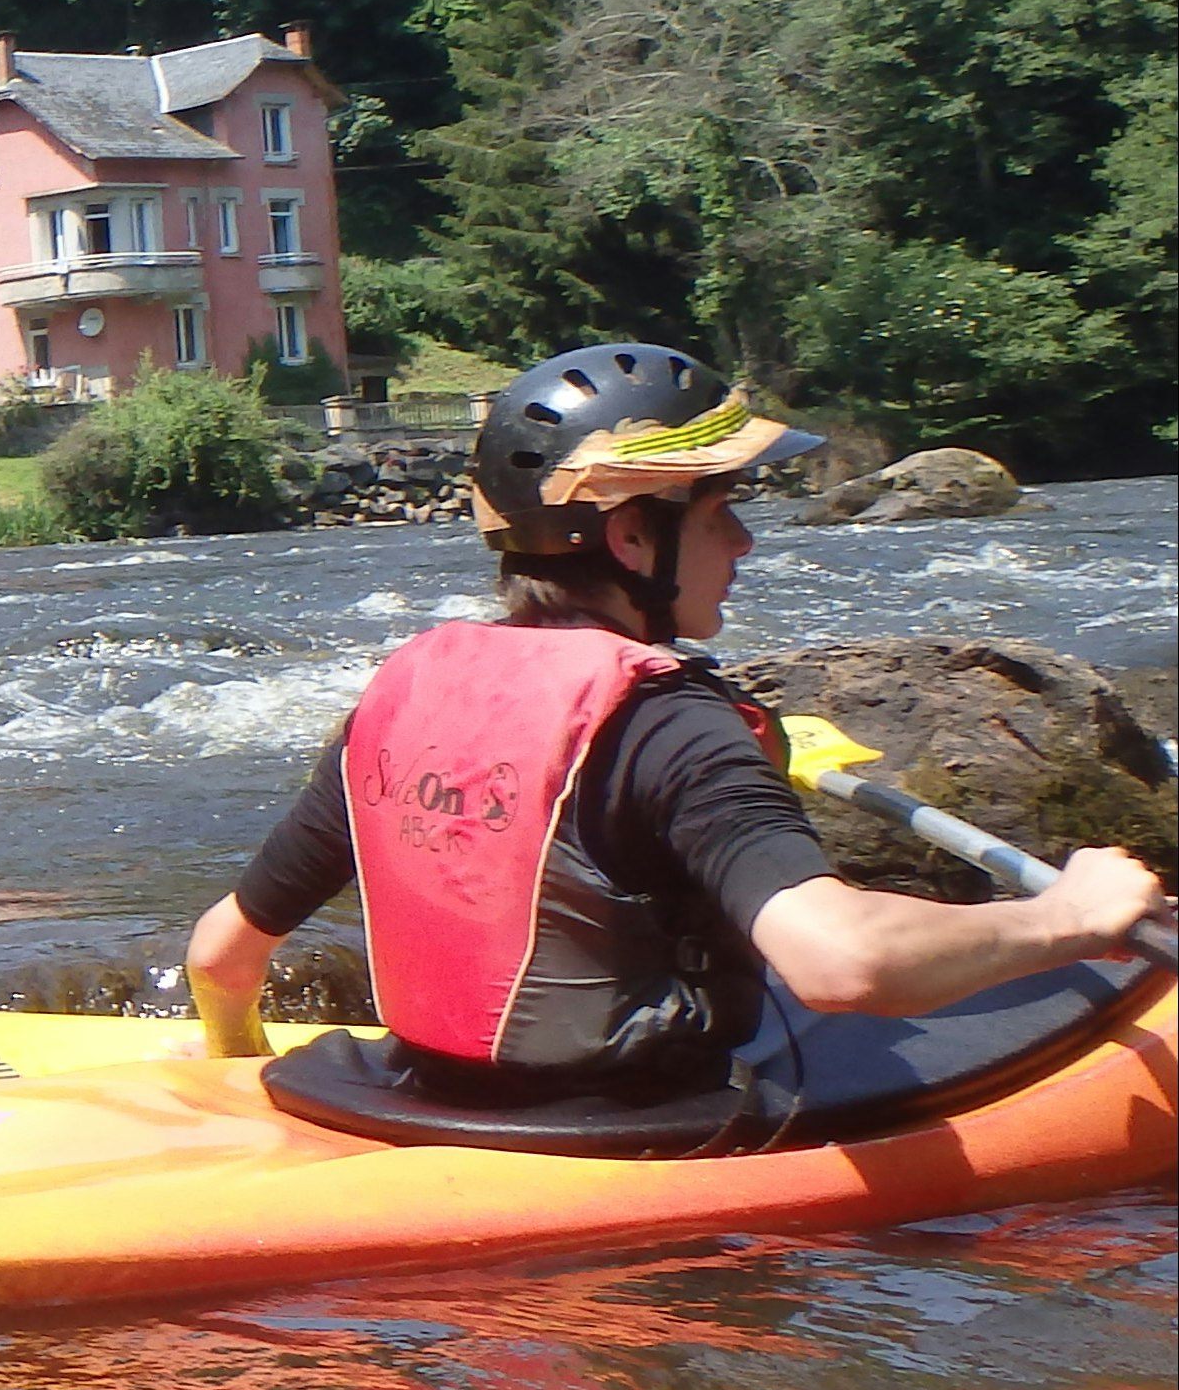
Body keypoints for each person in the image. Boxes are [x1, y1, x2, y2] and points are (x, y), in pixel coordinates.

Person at [186, 339, 1165, 1089]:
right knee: (1085, 977)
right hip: (638, 1124)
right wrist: (1068, 918)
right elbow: (843, 964)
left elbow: (221, 959)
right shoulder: (674, 724)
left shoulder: (404, 696)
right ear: (629, 535)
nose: (743, 542)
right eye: (718, 513)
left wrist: (236, 1086)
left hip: (417, 1094)